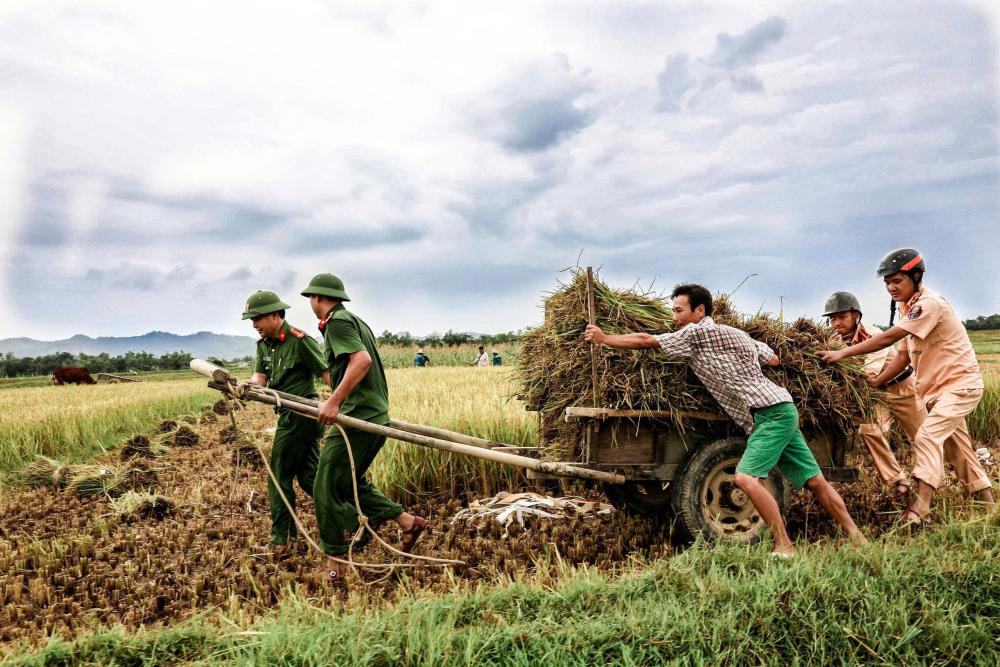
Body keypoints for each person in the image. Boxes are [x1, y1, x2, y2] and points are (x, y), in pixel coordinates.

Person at [585, 283, 865, 556]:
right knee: (816, 481)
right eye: (672, 311)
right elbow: (774, 360)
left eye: (679, 311)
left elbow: (647, 340)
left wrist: (604, 338)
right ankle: (858, 539)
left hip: (769, 414)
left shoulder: (695, 334)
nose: (674, 317)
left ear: (699, 311)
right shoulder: (737, 334)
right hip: (781, 407)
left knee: (746, 478)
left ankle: (784, 545)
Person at [819, 249, 994, 524]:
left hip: (958, 386)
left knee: (926, 437)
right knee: (957, 448)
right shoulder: (907, 310)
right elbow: (902, 356)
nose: (891, 287)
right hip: (933, 392)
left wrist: (843, 354)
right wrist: (876, 383)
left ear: (916, 276)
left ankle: (920, 508)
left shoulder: (928, 304)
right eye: (887, 282)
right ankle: (989, 506)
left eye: (897, 281)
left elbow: (889, 338)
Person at [301, 273, 428, 584]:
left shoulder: (337, 322)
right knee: (348, 482)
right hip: (373, 414)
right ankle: (407, 522)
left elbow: (361, 361)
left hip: (358, 415)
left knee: (324, 487)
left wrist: (333, 402)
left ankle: (335, 565)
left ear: (318, 297)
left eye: (310, 299)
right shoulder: (355, 320)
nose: (310, 304)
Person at [242, 290, 329, 555]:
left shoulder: (299, 341)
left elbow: (326, 374)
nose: (254, 324)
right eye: (251, 320)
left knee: (278, 476)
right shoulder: (263, 345)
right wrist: (245, 386)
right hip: (287, 414)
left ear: (274, 315)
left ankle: (282, 540)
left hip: (302, 415)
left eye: (257, 318)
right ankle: (352, 519)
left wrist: (341, 402)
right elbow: (260, 379)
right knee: (310, 478)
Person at [823, 291, 923, 499]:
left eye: (842, 317)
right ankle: (898, 481)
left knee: (922, 437)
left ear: (856, 316)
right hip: (875, 394)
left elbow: (868, 375)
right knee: (869, 430)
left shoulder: (873, 335)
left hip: (901, 387)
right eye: (832, 318)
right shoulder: (834, 341)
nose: (836, 323)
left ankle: (935, 481)